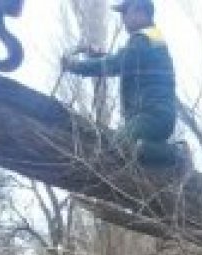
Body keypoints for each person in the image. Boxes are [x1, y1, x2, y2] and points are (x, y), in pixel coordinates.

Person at [62, 0, 180, 167]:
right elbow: (128, 62)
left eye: (126, 12)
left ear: (141, 12)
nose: (123, 18)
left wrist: (76, 66)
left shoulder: (145, 38)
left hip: (153, 116)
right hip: (151, 116)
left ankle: (178, 156)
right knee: (132, 154)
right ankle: (157, 155)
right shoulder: (149, 39)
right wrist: (98, 56)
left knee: (119, 144)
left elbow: (118, 63)